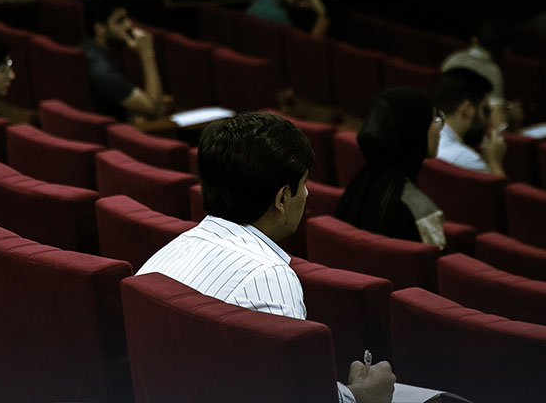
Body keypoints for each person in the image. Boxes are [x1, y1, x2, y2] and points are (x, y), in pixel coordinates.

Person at [138, 112, 396, 403]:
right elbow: (290, 394)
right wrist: (360, 396)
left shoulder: (162, 257)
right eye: (304, 183)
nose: (307, 193)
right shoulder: (270, 277)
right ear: (282, 198)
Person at [336, 87, 447, 248]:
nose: (439, 128)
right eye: (434, 120)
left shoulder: (355, 188)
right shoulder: (420, 211)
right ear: (415, 131)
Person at [79, 0, 163, 122]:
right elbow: (154, 108)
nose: (128, 25)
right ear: (100, 28)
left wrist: (132, 112)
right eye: (120, 21)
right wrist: (147, 53)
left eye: (127, 18)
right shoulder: (102, 69)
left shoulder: (88, 48)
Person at [441, 18, 521, 130]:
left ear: (475, 39)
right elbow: (499, 125)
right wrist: (513, 118)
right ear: (507, 51)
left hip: (443, 125)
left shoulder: (453, 58)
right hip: (469, 133)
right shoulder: (492, 71)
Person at [434, 68, 507, 176]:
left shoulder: (422, 137)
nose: (489, 121)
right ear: (467, 109)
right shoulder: (468, 160)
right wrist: (494, 162)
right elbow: (498, 187)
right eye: (486, 111)